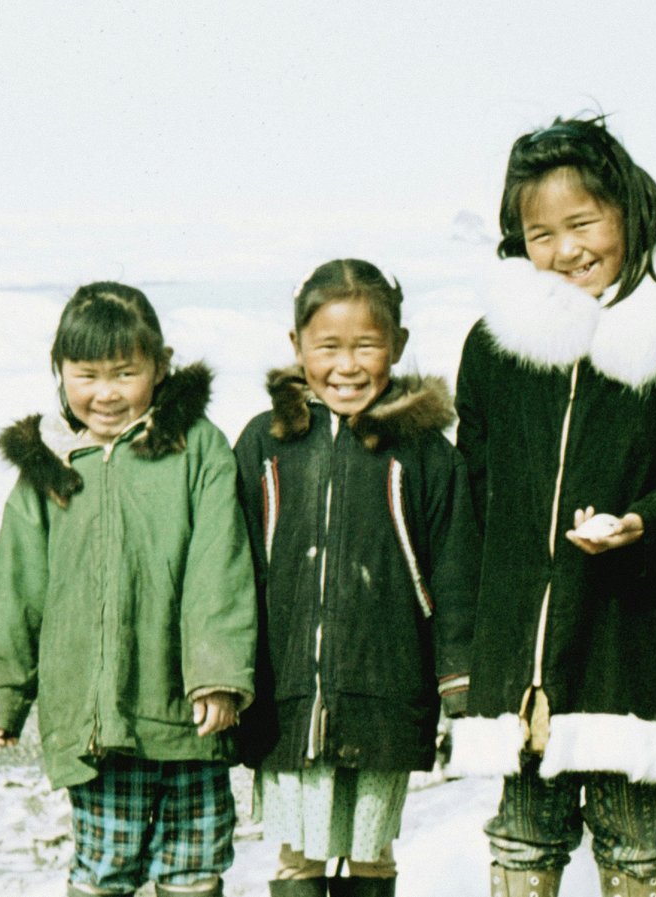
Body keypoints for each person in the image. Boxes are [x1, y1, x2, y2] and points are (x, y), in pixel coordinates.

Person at [448, 116, 656, 897]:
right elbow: (473, 496)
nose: (565, 250)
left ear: (628, 209)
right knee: (523, 833)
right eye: (540, 232)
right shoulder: (499, 346)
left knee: (632, 833)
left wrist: (648, 518)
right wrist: (463, 650)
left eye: (583, 223)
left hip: (631, 630)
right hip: (520, 646)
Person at [0, 283, 257, 897]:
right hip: (99, 715)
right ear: (60, 372)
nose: (105, 393)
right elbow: (18, 588)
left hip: (187, 712)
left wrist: (219, 675)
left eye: (126, 373)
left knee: (195, 861)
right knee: (106, 864)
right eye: (86, 374)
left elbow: (220, 566)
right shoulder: (48, 468)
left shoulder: (196, 449)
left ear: (159, 366)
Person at [232, 259, 478, 897]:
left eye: (367, 345)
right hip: (287, 689)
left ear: (396, 344)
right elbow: (233, 565)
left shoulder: (426, 454)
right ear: (297, 347)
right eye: (328, 347)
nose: (347, 365)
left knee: (371, 850)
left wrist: (458, 682)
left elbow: (453, 572)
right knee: (296, 855)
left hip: (386, 689)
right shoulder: (265, 445)